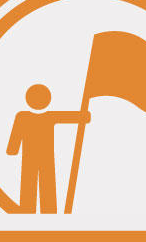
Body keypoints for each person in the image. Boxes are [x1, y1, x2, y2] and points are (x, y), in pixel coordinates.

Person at [7, 83, 90, 213]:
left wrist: (12, 150)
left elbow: (72, 117)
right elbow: (74, 117)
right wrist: (84, 116)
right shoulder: (41, 116)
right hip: (41, 157)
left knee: (38, 184)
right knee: (40, 184)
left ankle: (39, 211)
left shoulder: (24, 116)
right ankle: (40, 211)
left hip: (37, 157)